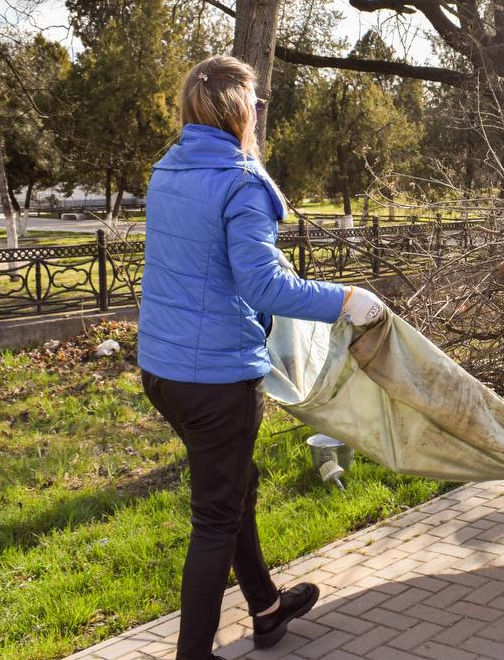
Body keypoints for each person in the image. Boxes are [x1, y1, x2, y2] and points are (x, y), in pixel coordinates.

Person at [139, 56, 387, 660]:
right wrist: (347, 299)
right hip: (216, 377)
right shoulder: (239, 182)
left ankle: (268, 608)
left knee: (237, 486)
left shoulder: (168, 170)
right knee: (215, 521)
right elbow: (263, 286)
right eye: (257, 102)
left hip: (163, 371)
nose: (259, 113)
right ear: (239, 109)